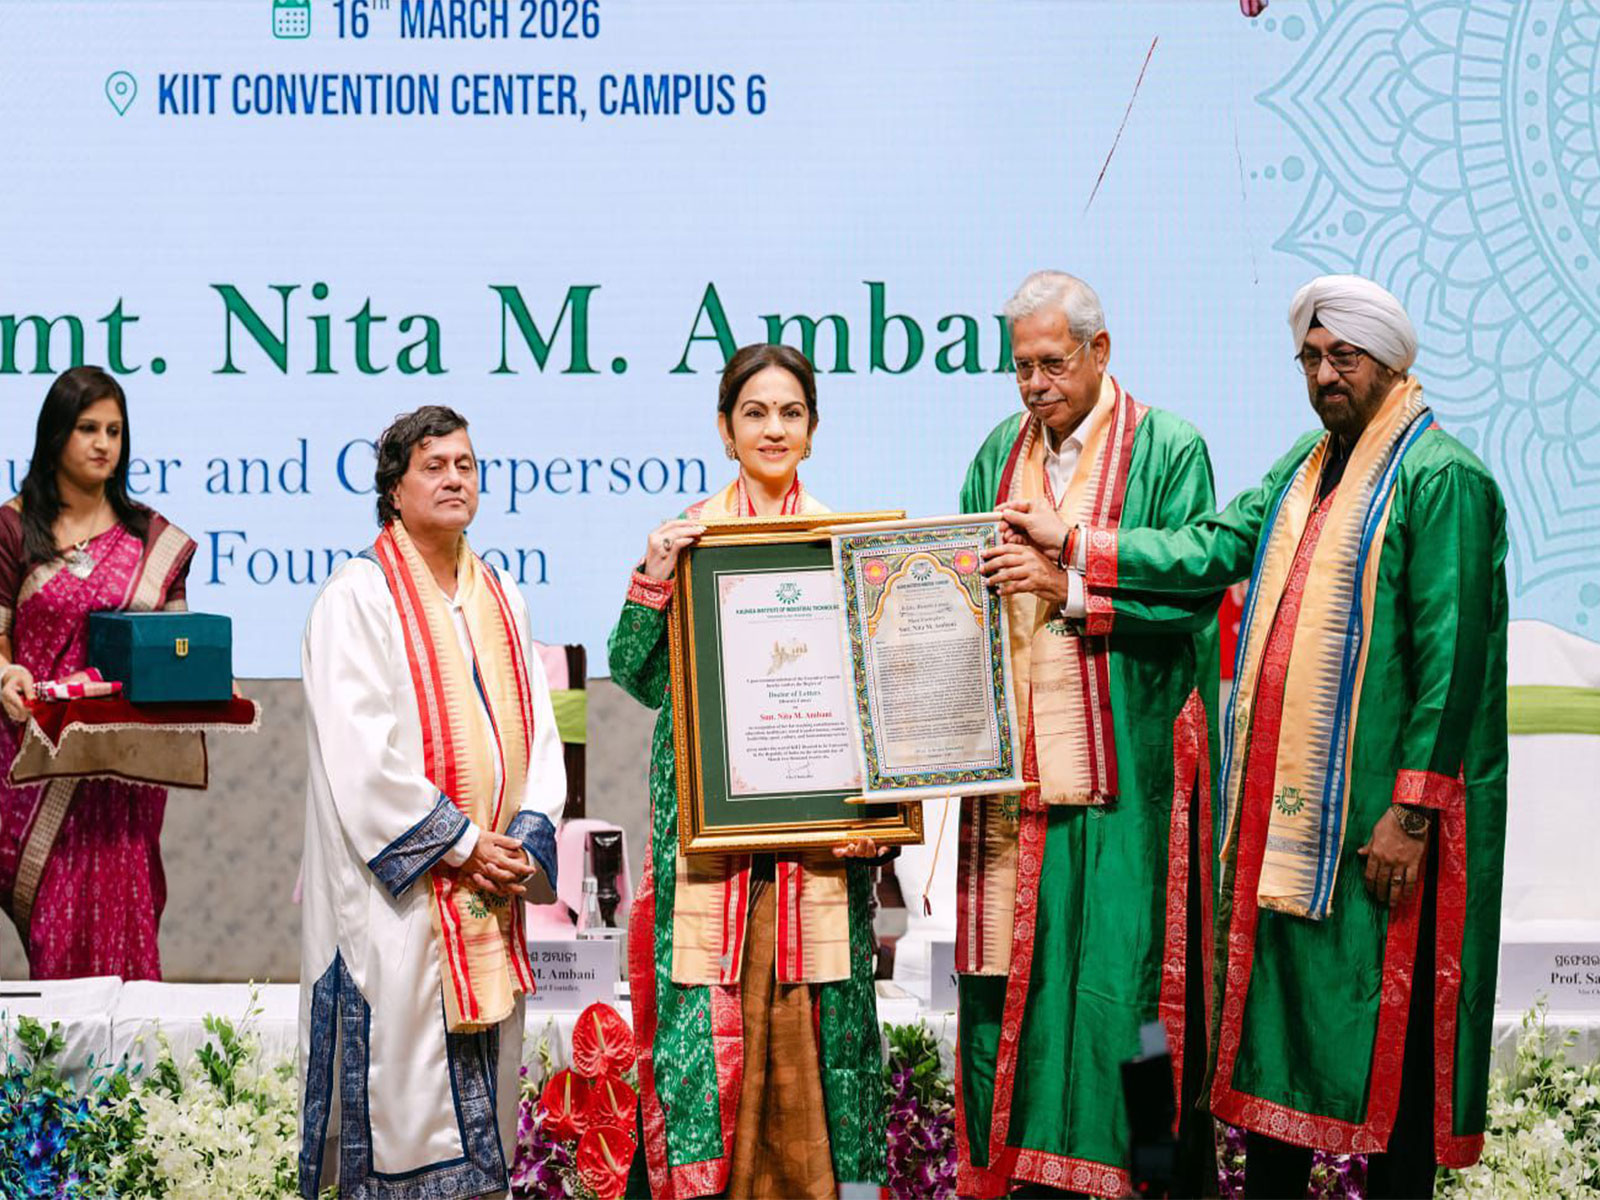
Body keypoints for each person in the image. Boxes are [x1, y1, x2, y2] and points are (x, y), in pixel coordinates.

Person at [1010, 275, 1507, 1197]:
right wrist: (1077, 546)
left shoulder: (1445, 480)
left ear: (1391, 361)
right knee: (1274, 1060)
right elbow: (1207, 548)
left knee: (1392, 1068)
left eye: (1342, 357)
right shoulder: (1301, 471)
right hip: (1288, 828)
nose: (1324, 375)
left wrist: (1413, 812)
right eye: (1311, 358)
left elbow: (1453, 661)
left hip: (1382, 830)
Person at [953, 271, 1222, 1197]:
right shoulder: (999, 451)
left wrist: (1065, 580)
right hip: (1017, 783)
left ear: (1100, 353)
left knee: (1132, 984)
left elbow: (1194, 580)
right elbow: (962, 591)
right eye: (1022, 366)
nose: (1035, 384)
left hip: (1131, 775)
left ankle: (1147, 1171)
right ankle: (1029, 1178)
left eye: (1052, 363)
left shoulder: (1168, 446)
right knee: (1014, 983)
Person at [610, 343, 886, 1199]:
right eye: (755, 413)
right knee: (707, 1037)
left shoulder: (844, 543)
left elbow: (873, 704)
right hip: (713, 844)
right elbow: (637, 676)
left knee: (819, 1034)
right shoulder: (691, 539)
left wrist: (878, 821)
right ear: (725, 430)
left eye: (791, 413)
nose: (774, 429)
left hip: (815, 839)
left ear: (813, 430)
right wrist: (655, 576)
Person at [297, 405, 564, 1199]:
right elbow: (361, 755)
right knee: (400, 1115)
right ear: (394, 489)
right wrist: (460, 843)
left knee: (485, 1134)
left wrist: (518, 838)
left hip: (488, 892)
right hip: (401, 904)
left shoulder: (499, 593)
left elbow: (538, 735)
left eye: (467, 465)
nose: (455, 478)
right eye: (434, 465)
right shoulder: (358, 597)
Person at [0, 366, 195, 980]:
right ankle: (53, 1073)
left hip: (123, 770)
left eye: (114, 430)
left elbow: (176, 643)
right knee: (53, 916)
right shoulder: (12, 527)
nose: (103, 443)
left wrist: (205, 680)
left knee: (126, 912)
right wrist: (4, 675)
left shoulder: (151, 538)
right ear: (55, 433)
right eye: (87, 427)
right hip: (37, 759)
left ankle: (130, 1074)